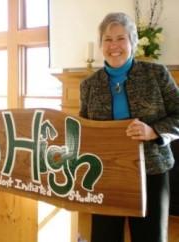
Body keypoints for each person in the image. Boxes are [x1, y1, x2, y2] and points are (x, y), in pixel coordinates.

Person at [79, 12, 179, 242]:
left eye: (121, 38)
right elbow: (84, 129)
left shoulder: (157, 74)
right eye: (108, 39)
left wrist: (153, 131)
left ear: (132, 42)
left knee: (150, 237)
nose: (114, 45)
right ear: (101, 44)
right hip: (105, 175)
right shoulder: (88, 85)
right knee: (104, 237)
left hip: (152, 173)